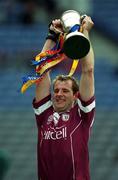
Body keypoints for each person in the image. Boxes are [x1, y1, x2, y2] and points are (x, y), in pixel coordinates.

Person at [32, 12, 95, 180]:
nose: (59, 94)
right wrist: (52, 36)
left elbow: (88, 71)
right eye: (57, 90)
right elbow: (42, 73)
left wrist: (84, 32)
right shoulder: (44, 114)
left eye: (65, 91)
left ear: (76, 96)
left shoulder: (82, 116)